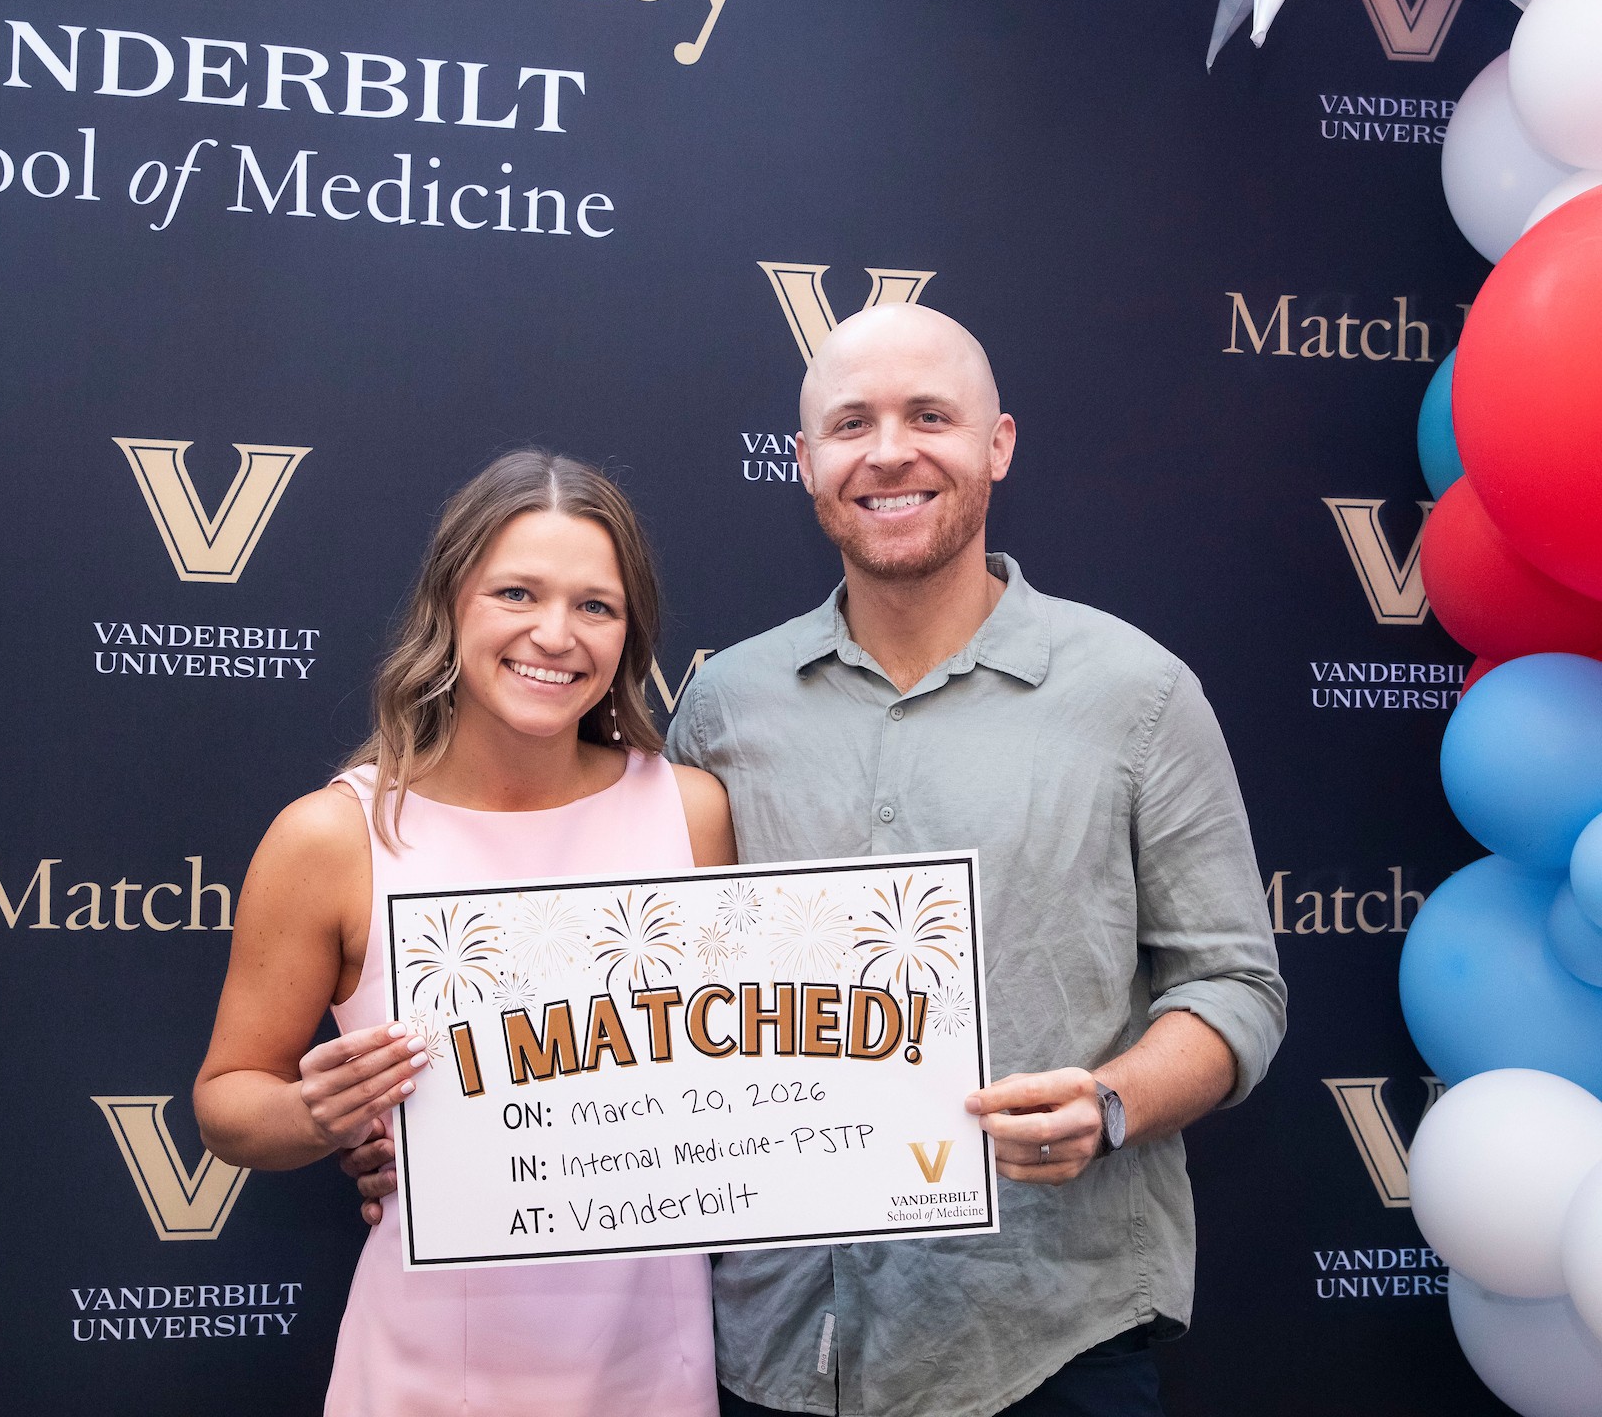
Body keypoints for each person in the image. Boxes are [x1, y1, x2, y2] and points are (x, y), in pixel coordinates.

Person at [350, 303, 1286, 1417]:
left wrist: (1108, 1100)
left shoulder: (1135, 696)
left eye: (928, 416)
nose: (888, 451)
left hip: (1046, 1342)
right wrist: (457, 1136)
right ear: (804, 465)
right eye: (851, 424)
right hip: (777, 1347)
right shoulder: (720, 709)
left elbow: (1234, 985)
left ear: (997, 445)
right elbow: (625, 1003)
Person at [194, 449, 732, 1417]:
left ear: (628, 631)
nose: (554, 635)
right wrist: (323, 1115)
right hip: (427, 1365)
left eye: (594, 606)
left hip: (652, 1360)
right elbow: (228, 1103)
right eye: (516, 592)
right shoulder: (332, 836)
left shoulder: (691, 817)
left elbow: (746, 1081)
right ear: (449, 606)